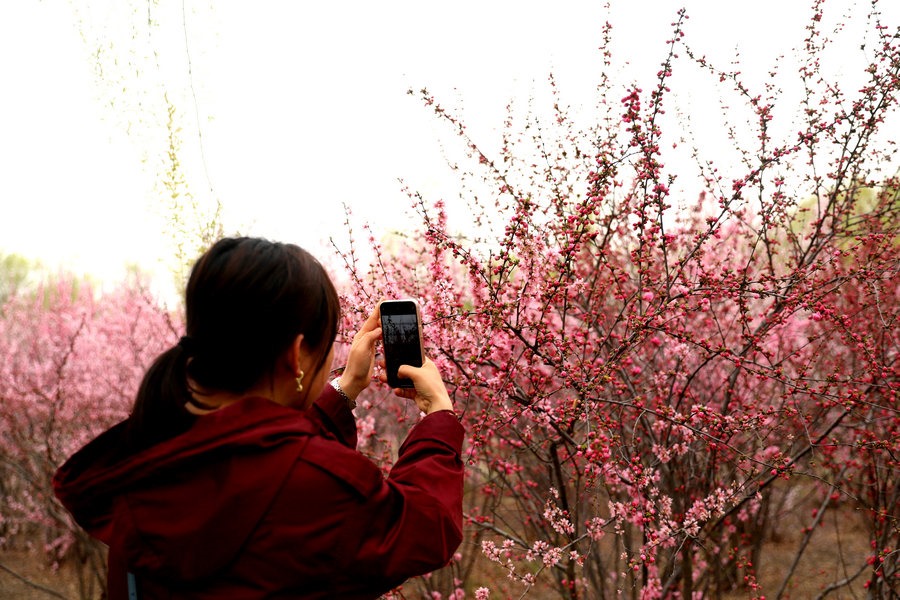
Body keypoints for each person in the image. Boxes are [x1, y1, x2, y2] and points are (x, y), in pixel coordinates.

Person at [53, 237, 464, 599]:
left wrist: (345, 388)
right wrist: (438, 417)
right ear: (296, 354)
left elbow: (260, 453)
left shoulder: (144, 453)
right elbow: (425, 528)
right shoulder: (315, 485)